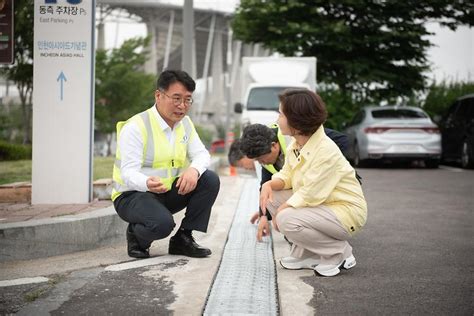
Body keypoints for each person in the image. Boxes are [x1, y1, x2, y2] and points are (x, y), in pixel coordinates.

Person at [111, 70, 220, 259]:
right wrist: (146, 183)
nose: (182, 106)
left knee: (209, 179)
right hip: (132, 195)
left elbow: (202, 154)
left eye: (187, 100)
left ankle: (183, 239)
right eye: (176, 98)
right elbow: (128, 171)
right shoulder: (136, 126)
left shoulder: (185, 124)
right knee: (162, 225)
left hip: (165, 192)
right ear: (158, 95)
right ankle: (137, 235)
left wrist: (193, 170)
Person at [259, 88, 367, 277]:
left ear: (297, 121)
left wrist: (281, 212)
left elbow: (311, 193)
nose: (277, 120)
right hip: (324, 206)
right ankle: (306, 254)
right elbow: (287, 176)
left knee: (286, 219)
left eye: (281, 114)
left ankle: (339, 253)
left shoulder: (326, 150)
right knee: (271, 197)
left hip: (346, 212)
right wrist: (268, 185)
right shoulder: (297, 144)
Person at [228, 123, 354, 239]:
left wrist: (325, 171)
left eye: (281, 114)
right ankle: (302, 242)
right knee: (273, 198)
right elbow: (265, 184)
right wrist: (264, 216)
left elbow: (343, 141)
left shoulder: (296, 135)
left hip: (331, 192)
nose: (261, 163)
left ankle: (335, 250)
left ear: (274, 146)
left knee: (285, 216)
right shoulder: (266, 154)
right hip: (308, 192)